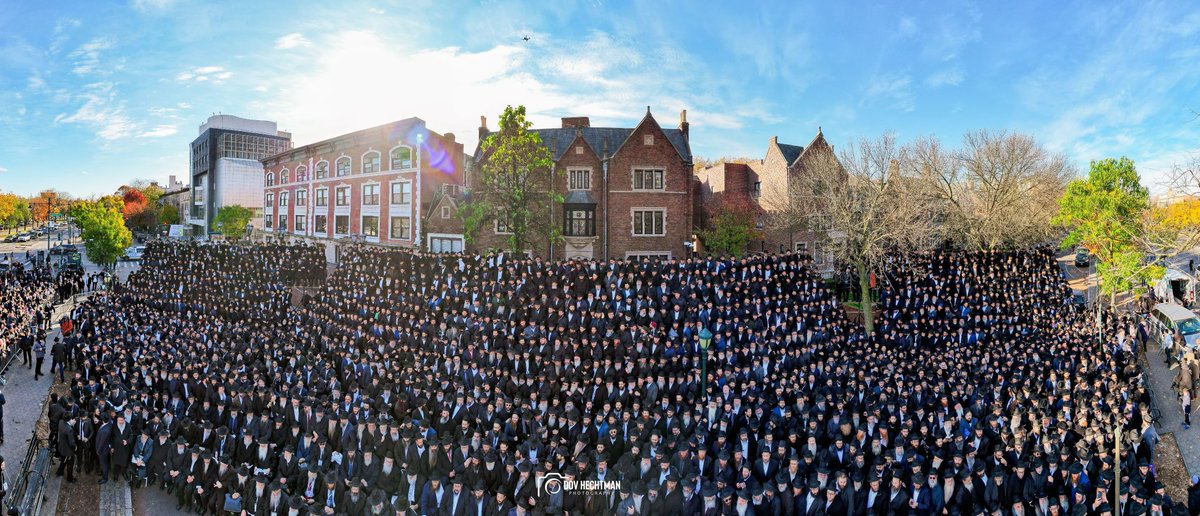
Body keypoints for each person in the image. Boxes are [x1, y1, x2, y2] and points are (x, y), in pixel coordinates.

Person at [56, 414, 77, 483]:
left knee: (63, 460)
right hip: (68, 451)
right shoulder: (69, 429)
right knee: (70, 464)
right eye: (71, 419)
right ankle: (70, 478)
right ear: (69, 420)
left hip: (61, 447)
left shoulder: (61, 422)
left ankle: (59, 471)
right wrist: (75, 447)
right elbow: (71, 443)